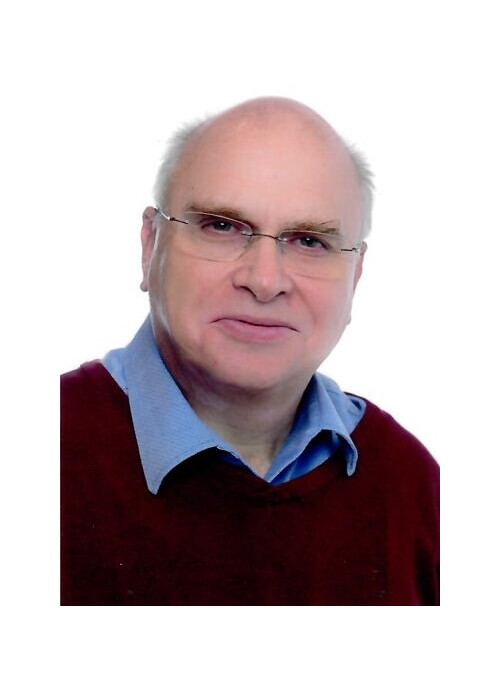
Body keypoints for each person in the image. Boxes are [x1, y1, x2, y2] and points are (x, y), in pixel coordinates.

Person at [61, 96, 439, 605]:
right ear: (150, 245)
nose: (264, 281)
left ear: (355, 277)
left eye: (310, 241)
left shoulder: (414, 484)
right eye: (221, 226)